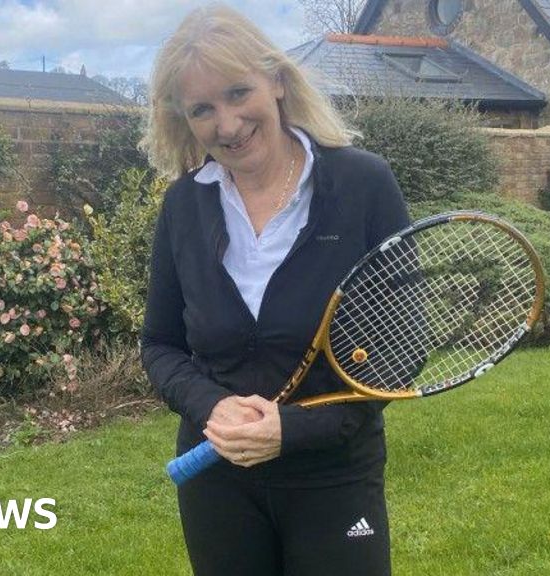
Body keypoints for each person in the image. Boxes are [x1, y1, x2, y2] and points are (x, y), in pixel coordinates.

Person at [140, 4, 410, 575]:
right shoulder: (184, 205)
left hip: (333, 475)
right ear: (184, 119)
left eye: (238, 93)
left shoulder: (362, 185)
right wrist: (211, 405)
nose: (227, 125)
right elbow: (160, 344)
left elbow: (402, 346)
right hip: (216, 478)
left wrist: (295, 429)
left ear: (278, 82)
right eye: (202, 109)